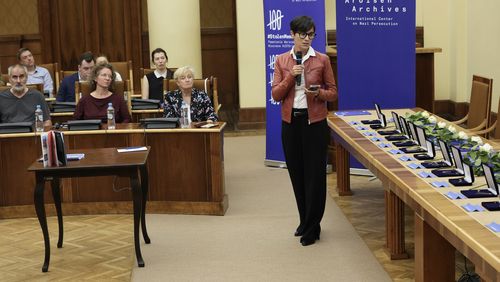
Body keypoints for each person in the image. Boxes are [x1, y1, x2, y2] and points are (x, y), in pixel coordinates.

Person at [271, 16, 337, 246]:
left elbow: (333, 93)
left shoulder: (322, 60)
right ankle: (305, 220)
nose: (307, 39)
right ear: (292, 34)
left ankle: (312, 226)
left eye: (311, 35)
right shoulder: (281, 61)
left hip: (315, 124)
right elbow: (276, 95)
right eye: (303, 35)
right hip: (290, 124)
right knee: (297, 175)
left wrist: (318, 94)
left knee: (315, 176)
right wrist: (292, 76)